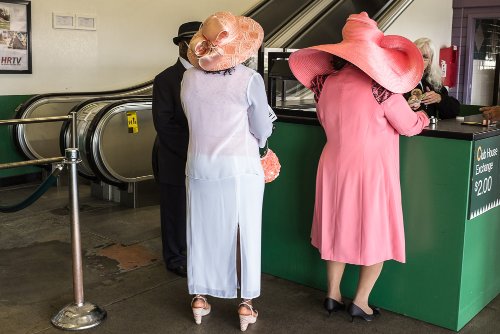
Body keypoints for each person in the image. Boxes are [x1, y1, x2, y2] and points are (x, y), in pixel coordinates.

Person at [288, 12, 429, 322]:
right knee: (375, 232)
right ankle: (360, 301)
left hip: (333, 163)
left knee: (336, 229)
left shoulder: (323, 83)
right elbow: (408, 127)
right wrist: (422, 117)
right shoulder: (382, 88)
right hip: (370, 169)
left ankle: (333, 294)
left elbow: (326, 120)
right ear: (374, 52)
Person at [180, 12, 273, 332]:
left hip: (199, 165)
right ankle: (246, 305)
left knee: (201, 231)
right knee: (244, 232)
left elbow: (191, 116)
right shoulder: (249, 80)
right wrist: (261, 140)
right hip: (239, 167)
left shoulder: (189, 77)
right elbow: (261, 127)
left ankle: (200, 298)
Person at [152, 21, 201, 278]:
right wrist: (194, 148)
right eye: (193, 45)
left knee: (197, 208)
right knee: (175, 210)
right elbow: (164, 123)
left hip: (204, 158)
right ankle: (175, 257)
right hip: (175, 156)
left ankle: (196, 252)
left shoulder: (208, 75)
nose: (199, 50)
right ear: (181, 46)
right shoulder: (165, 80)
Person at [404, 37, 460, 119]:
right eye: (417, 54)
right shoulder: (399, 80)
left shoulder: (433, 82)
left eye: (425, 57)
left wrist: (440, 99)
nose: (420, 59)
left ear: (430, 61)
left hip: (428, 130)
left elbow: (455, 110)